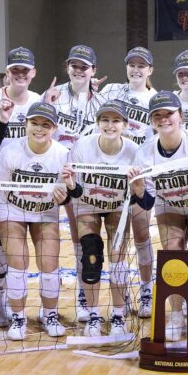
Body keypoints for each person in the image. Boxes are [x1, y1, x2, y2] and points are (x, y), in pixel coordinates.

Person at [128, 90, 188, 340]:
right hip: (168, 205)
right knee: (172, 253)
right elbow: (147, 203)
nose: (163, 119)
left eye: (168, 113)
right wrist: (138, 190)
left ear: (181, 116)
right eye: (157, 115)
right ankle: (177, 314)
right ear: (151, 121)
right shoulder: (145, 152)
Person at [0, 102, 80, 340]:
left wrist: (64, 197)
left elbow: (70, 194)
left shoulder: (63, 155)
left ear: (54, 128)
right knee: (17, 266)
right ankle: (18, 318)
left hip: (45, 211)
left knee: (49, 265)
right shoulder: (11, 151)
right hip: (12, 209)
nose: (39, 129)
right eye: (34, 123)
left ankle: (50, 315)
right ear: (26, 124)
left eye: (45, 125)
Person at [0, 47, 43, 328]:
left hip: (30, 187)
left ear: (33, 73)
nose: (20, 74)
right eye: (14, 69)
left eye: (24, 70)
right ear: (7, 73)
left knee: (28, 248)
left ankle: (25, 304)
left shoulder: (39, 101)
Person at [69, 100, 138, 336]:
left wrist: (136, 183)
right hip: (87, 204)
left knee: (117, 260)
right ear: (97, 123)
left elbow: (141, 194)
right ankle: (93, 314)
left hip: (117, 206)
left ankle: (118, 314)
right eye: (105, 120)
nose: (110, 125)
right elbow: (73, 188)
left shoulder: (133, 151)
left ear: (125, 125)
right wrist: (69, 183)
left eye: (116, 120)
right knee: (90, 257)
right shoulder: (83, 146)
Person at [97, 47, 158, 317]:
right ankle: (120, 297)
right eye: (132, 65)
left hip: (141, 172)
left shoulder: (155, 99)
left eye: (141, 65)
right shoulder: (111, 91)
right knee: (117, 239)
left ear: (150, 70)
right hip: (111, 173)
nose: (136, 69)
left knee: (142, 235)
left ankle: (146, 290)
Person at [43, 44, 102, 323]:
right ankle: (51, 304)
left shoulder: (101, 102)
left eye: (84, 67)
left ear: (93, 70)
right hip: (54, 172)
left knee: (82, 235)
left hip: (85, 176)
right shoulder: (53, 95)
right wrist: (48, 104)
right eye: (74, 65)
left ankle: (84, 293)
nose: (79, 70)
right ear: (67, 67)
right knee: (51, 235)